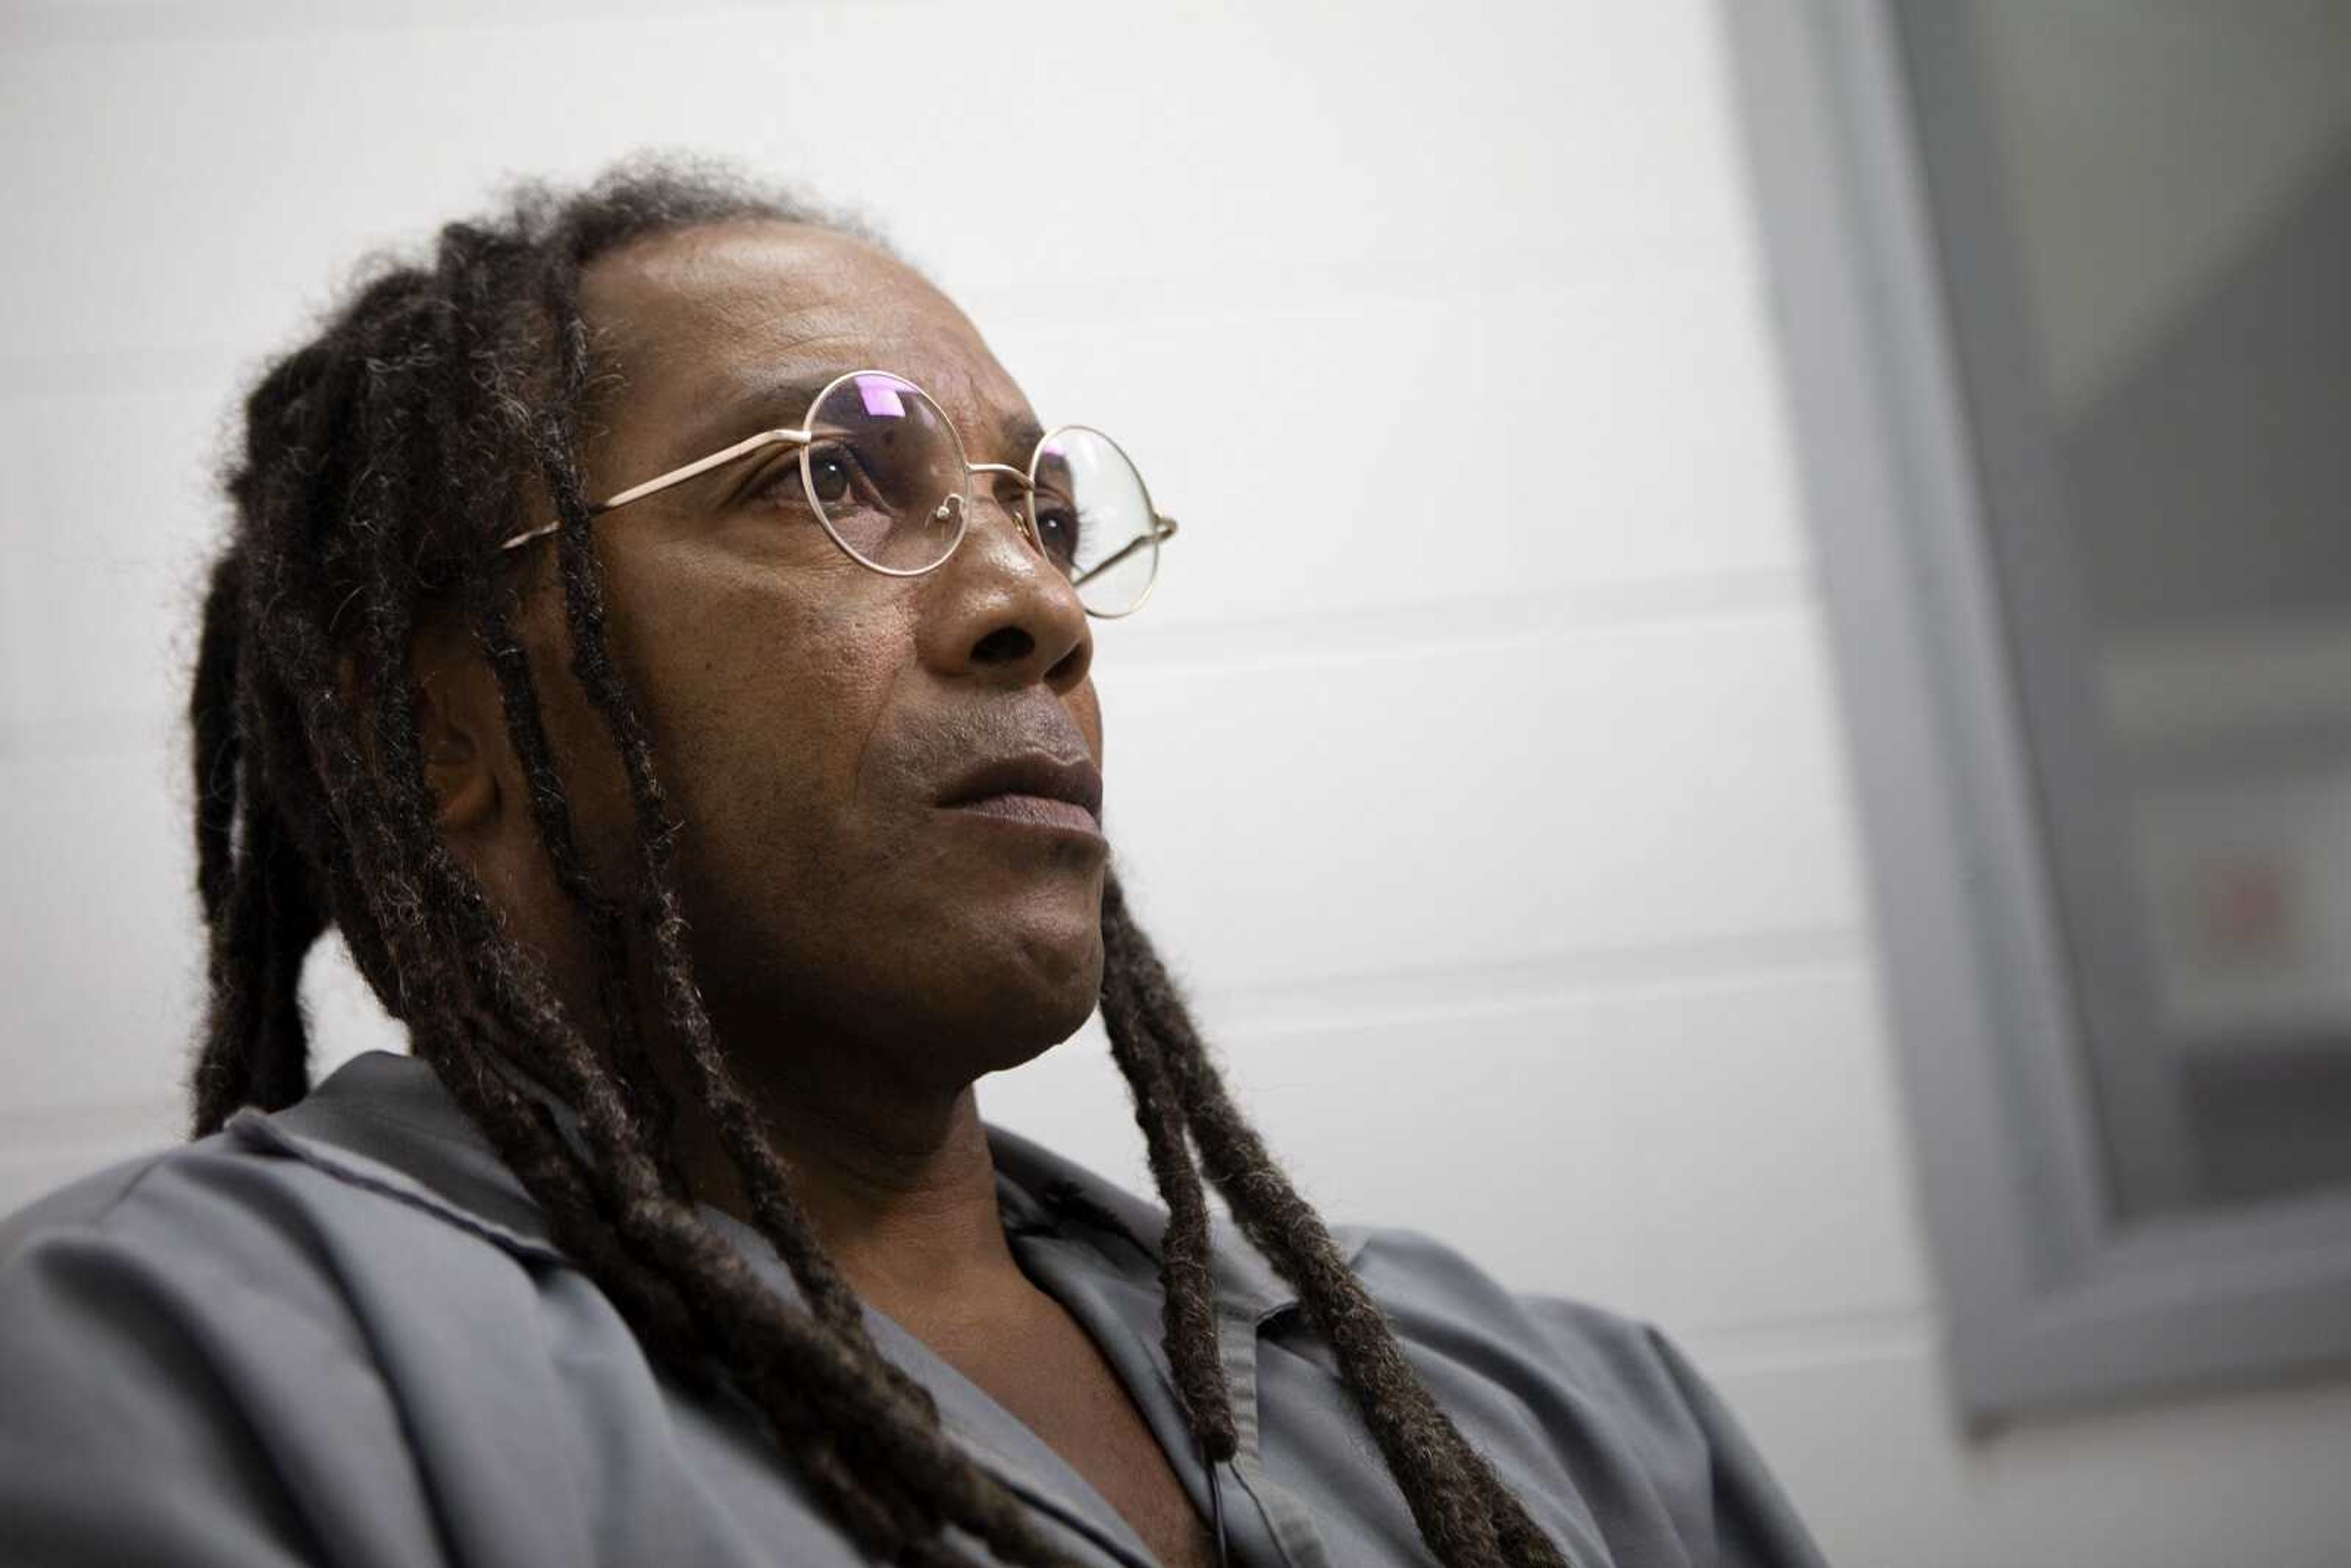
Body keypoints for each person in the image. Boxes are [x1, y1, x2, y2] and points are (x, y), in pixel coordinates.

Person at [0, 162, 1828, 1568]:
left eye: (1044, 511)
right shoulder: (178, 1371)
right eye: (835, 479)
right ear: (456, 722)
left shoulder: (1546, 1402)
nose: (1036, 602)